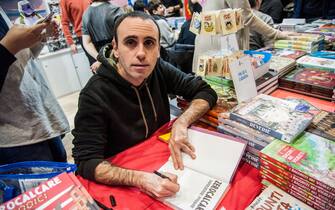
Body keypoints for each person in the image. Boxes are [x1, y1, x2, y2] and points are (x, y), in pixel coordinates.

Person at [72, 11, 217, 198]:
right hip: (125, 180)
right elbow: (86, 162)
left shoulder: (158, 69)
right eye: (130, 42)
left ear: (158, 48)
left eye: (149, 43)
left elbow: (205, 91)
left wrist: (182, 121)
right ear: (115, 48)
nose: (141, 53)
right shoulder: (94, 94)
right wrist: (139, 179)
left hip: (167, 164)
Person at [0, 7, 70, 164]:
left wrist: (37, 37)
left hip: (41, 119)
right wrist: (9, 45)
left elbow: (18, 62)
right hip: (18, 137)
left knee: (64, 179)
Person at [192, 0, 290, 72]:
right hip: (222, 45)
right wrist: (278, 34)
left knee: (209, 89)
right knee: (225, 91)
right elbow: (248, 18)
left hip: (207, 40)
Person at [82, 0, 123, 73]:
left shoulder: (86, 14)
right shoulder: (115, 10)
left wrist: (100, 59)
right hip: (118, 56)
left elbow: (87, 42)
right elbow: (123, 37)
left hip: (100, 60)